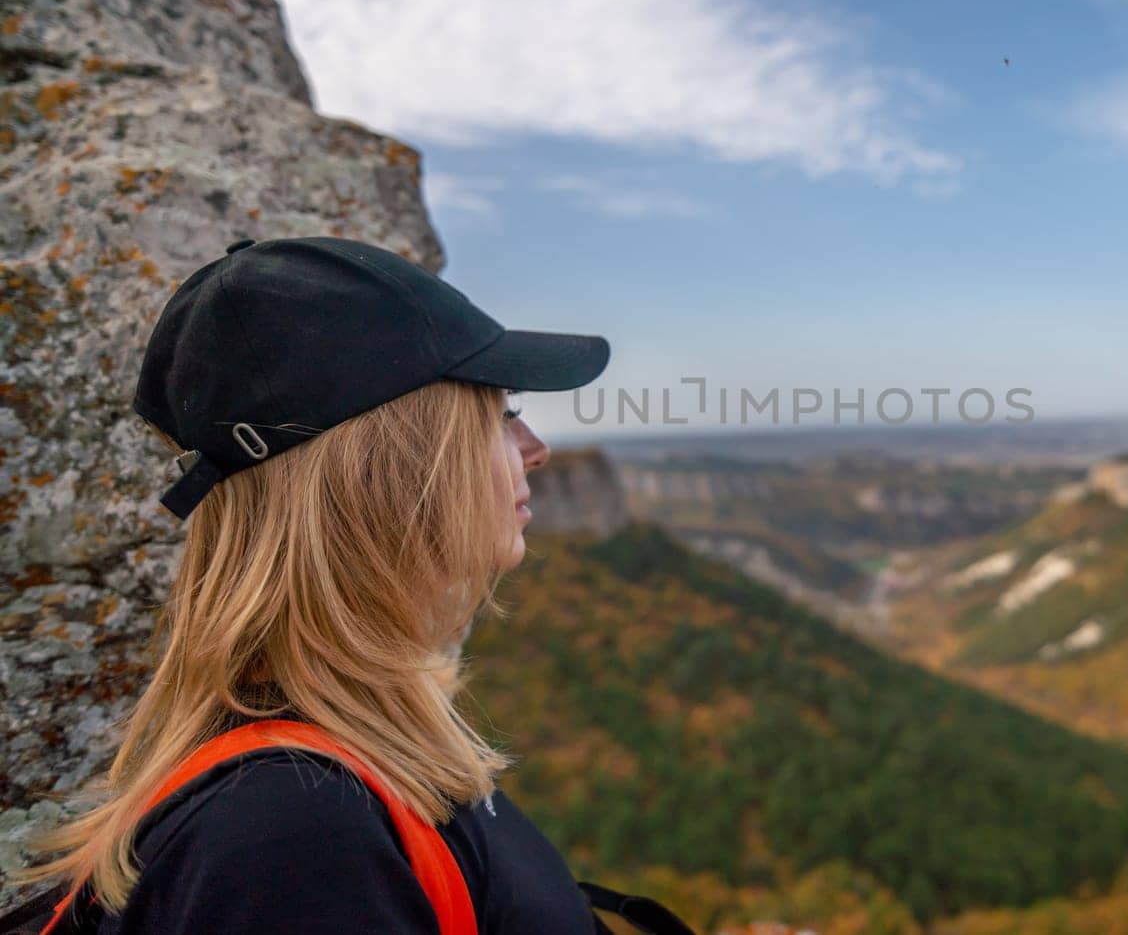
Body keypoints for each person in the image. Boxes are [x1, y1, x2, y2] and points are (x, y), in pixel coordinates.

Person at [12, 236, 658, 933]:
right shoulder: (295, 839)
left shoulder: (358, 755)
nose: (537, 448)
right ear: (392, 468)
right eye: (499, 414)